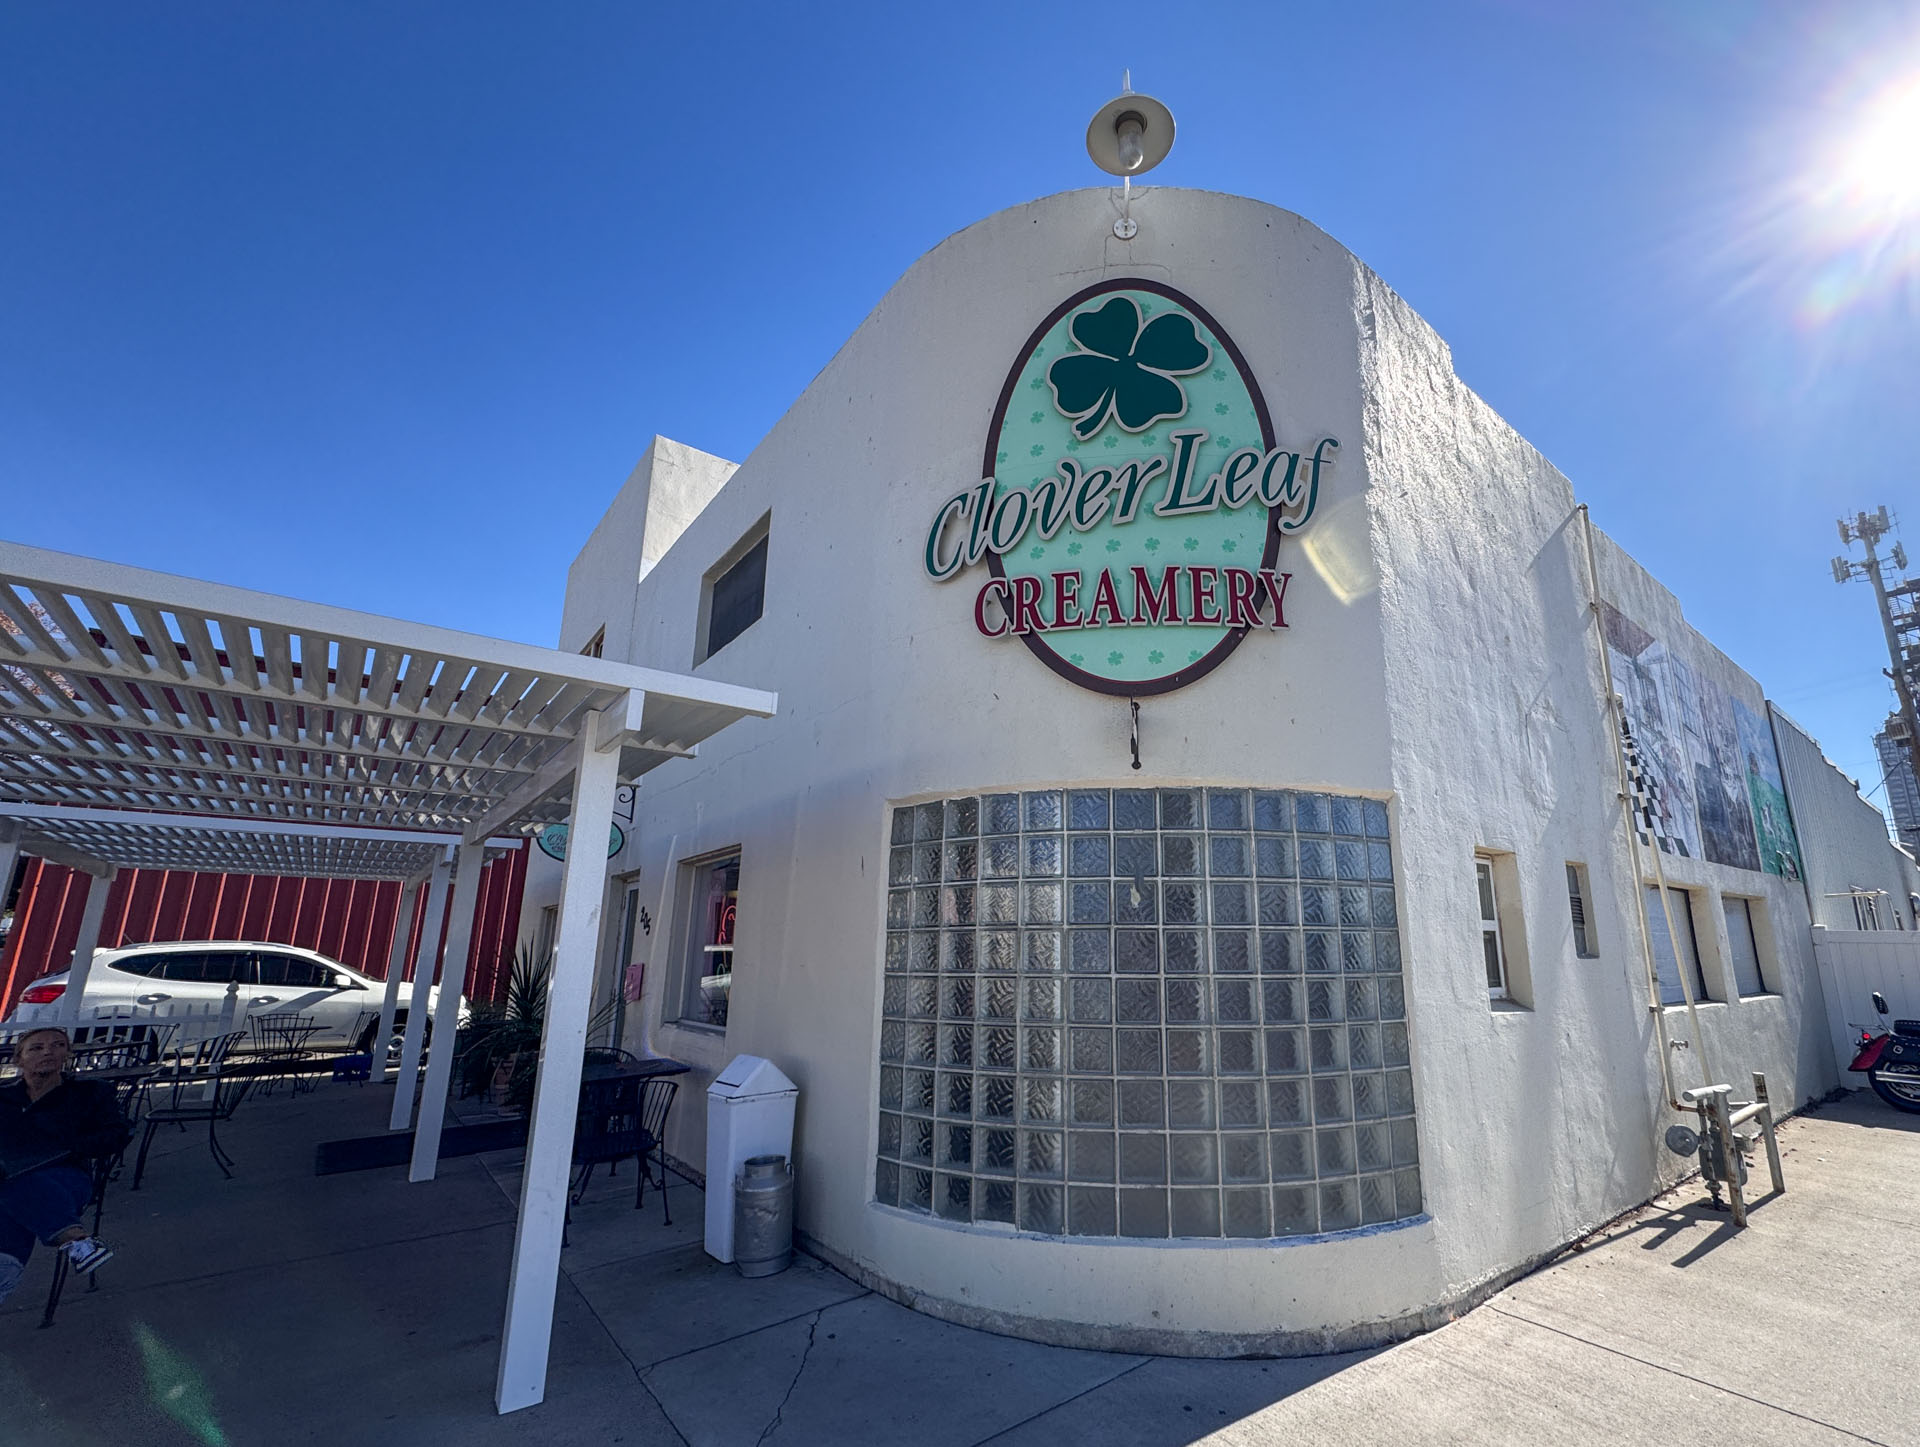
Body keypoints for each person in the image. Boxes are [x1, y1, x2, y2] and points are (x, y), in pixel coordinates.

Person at [0, 1026, 131, 1306]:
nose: (48, 1051)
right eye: (36, 1048)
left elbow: (117, 1135)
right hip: (10, 1176)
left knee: (16, 1186)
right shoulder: (3, 1098)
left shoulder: (90, 1093)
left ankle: (9, 1264)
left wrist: (68, 1144)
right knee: (12, 1184)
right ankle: (75, 1240)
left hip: (66, 1178)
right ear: (19, 1059)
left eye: (57, 1045)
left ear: (67, 1055)